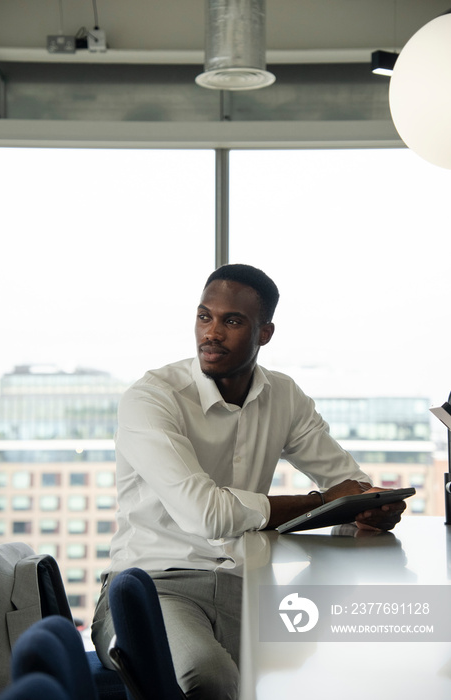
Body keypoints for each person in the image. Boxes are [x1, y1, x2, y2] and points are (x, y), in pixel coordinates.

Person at [92, 263, 406, 700]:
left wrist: (369, 509)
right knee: (207, 677)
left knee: (355, 665)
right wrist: (324, 500)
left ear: (265, 333)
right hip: (155, 585)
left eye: (232, 321)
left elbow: (348, 482)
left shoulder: (284, 396)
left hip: (248, 587)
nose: (212, 333)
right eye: (205, 317)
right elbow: (206, 514)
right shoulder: (152, 397)